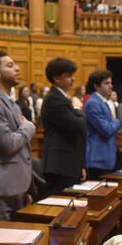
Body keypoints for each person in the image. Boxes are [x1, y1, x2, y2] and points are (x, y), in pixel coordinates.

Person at [0, 52, 35, 220]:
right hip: (3, 189)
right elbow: (8, 144)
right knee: (1, 243)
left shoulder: (11, 102)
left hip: (18, 186)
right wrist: (29, 127)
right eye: (10, 66)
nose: (18, 68)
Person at [41, 58, 87, 195]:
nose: (73, 79)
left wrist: (81, 165)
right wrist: (78, 109)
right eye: (68, 76)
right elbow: (79, 125)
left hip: (68, 163)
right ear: (56, 78)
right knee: (61, 207)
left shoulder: (62, 97)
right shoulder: (54, 99)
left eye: (73, 75)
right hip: (60, 165)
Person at [85, 70, 121, 179]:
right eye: (107, 83)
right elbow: (106, 130)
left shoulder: (102, 102)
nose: (111, 86)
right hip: (99, 159)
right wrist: (116, 121)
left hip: (108, 156)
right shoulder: (93, 103)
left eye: (111, 83)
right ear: (96, 86)